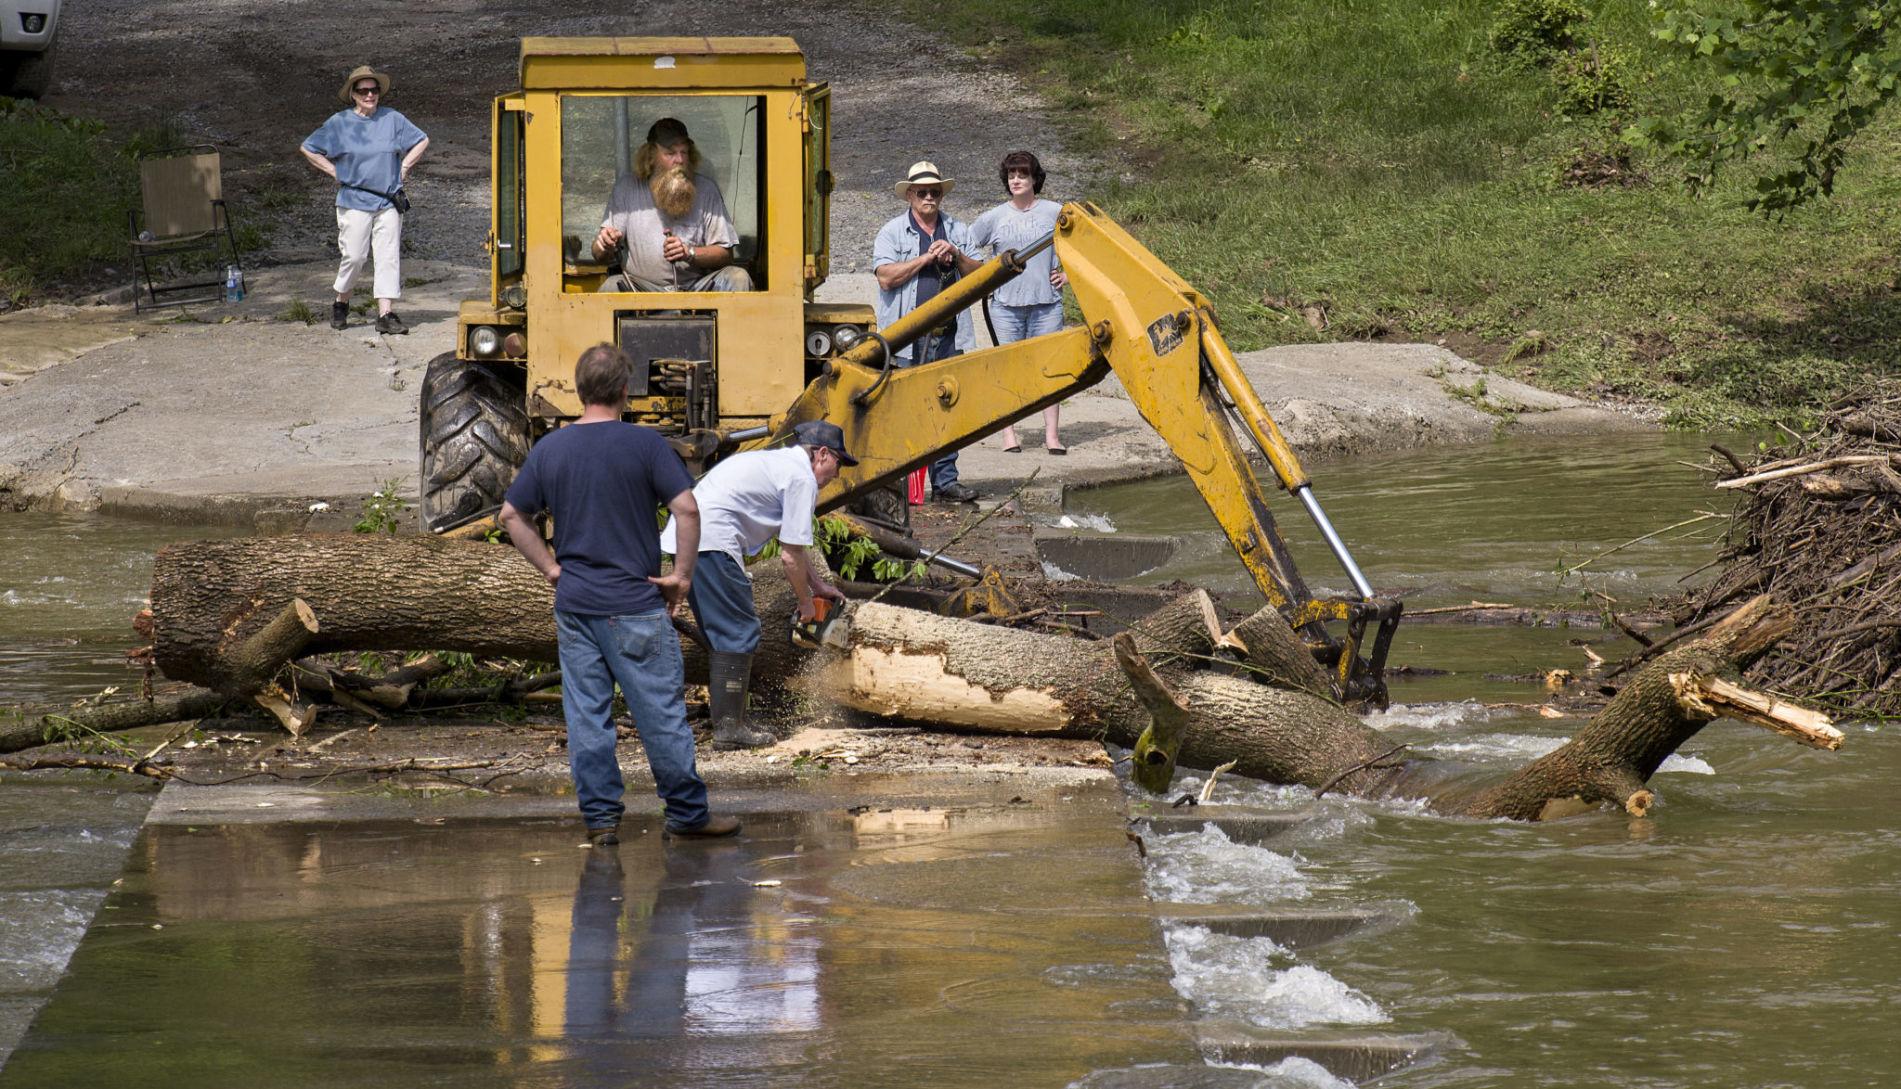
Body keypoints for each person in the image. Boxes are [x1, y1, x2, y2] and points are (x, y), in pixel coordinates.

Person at [499, 344, 741, 843]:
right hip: (634, 605)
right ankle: (688, 815)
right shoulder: (645, 445)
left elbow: (511, 516)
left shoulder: (551, 449)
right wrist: (682, 576)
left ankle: (602, 822)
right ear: (625, 391)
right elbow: (688, 510)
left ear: (581, 389)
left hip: (576, 607)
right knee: (660, 714)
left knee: (588, 717)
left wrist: (550, 567)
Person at [660, 421, 853, 750]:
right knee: (738, 629)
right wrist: (807, 606)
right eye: (837, 463)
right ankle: (729, 729)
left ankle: (733, 721)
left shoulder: (778, 464)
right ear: (822, 454)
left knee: (728, 632)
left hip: (694, 538)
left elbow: (793, 545)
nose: (837, 474)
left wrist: (818, 586)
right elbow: (789, 557)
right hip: (711, 540)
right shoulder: (801, 478)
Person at [873, 160, 983, 503]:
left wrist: (955, 253)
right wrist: (925, 258)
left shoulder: (958, 230)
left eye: (935, 192)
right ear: (909, 195)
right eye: (922, 192)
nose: (929, 197)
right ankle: (904, 484)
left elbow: (981, 275)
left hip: (950, 334)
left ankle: (946, 481)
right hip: (907, 337)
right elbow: (886, 276)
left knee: (948, 409)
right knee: (907, 409)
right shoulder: (892, 231)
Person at [300, 64, 429, 335]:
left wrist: (404, 167)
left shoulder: (392, 119)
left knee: (388, 256)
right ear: (353, 94)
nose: (370, 95)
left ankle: (386, 313)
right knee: (355, 256)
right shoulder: (340, 123)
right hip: (354, 199)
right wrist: (334, 171)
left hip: (388, 200)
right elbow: (309, 148)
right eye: (363, 91)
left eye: (374, 90)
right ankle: (341, 300)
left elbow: (421, 140)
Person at [971, 151, 1069, 455]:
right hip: (1004, 307)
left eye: (1022, 175)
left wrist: (1069, 274)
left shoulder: (1056, 211)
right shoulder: (994, 217)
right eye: (1011, 175)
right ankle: (1008, 435)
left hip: (1047, 304)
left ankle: (1051, 436)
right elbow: (968, 245)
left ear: (1034, 179)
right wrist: (983, 279)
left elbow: (1084, 243)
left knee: (1049, 369)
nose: (1016, 180)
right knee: (1006, 370)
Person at [591, 118, 752, 293]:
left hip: (696, 288)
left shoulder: (706, 189)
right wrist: (603, 245)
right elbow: (599, 255)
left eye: (684, 152)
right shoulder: (627, 188)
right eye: (670, 153)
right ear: (651, 156)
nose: (680, 159)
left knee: (738, 278)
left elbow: (725, 255)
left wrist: (689, 253)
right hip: (640, 289)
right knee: (610, 287)